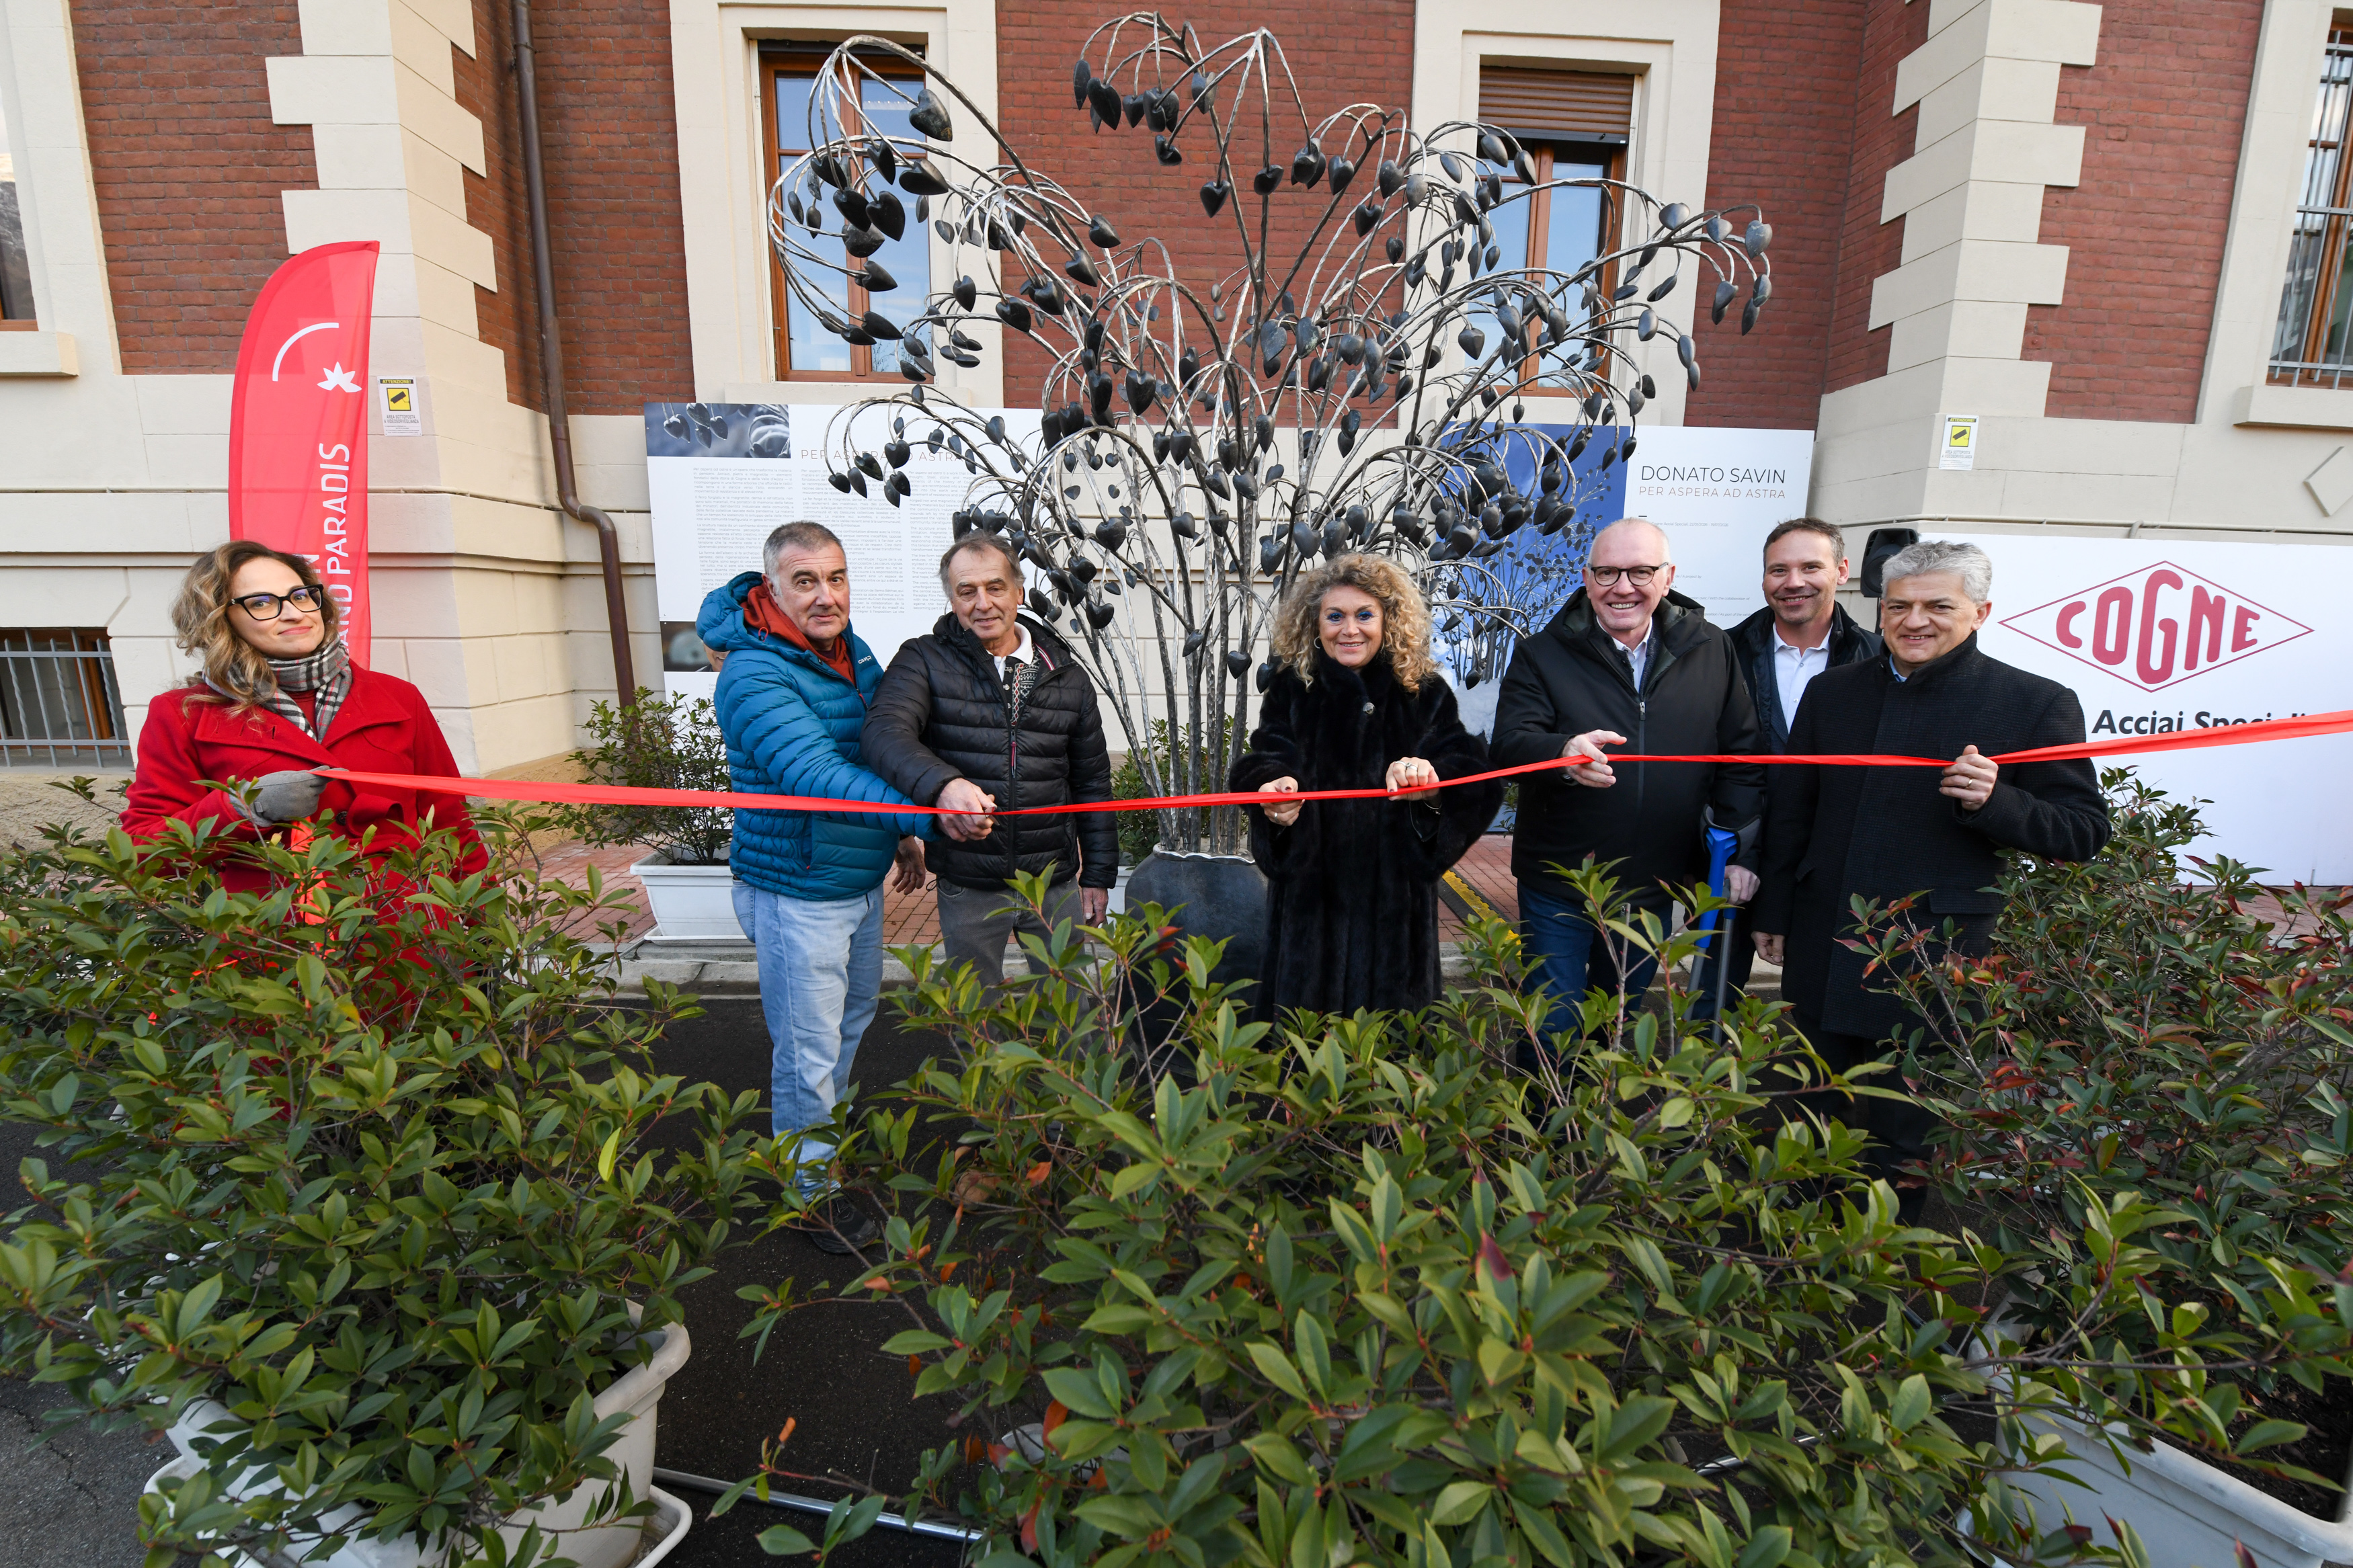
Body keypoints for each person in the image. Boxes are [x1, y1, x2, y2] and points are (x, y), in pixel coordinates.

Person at [1750, 539, 2111, 1219]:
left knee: (1905, 1133)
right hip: (1823, 937)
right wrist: (1773, 909)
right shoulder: (1833, 692)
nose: (1914, 621)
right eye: (1898, 607)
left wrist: (1996, 800)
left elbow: (2081, 831)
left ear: (1980, 612)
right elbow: (1792, 810)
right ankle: (1791, 1249)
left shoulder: (2034, 701)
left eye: (1937, 606)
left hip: (1935, 956)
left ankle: (1883, 1261)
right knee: (1804, 1111)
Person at [699, 521, 931, 1253]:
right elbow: (814, 774)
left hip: (855, 877)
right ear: (772, 588)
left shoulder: (848, 650)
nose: (826, 594)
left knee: (851, 1019)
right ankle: (810, 1192)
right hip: (797, 888)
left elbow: (872, 746)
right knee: (807, 1046)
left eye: (836, 576)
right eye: (805, 581)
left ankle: (822, 1138)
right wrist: (929, 810)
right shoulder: (752, 672)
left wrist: (900, 836)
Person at [1490, 518, 1765, 1028]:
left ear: (1668, 576)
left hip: (1654, 884)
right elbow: (1508, 746)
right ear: (1587, 578)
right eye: (1607, 572)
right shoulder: (1542, 653)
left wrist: (1737, 853)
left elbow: (1742, 757)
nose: (1623, 587)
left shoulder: (1711, 649)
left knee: (1618, 1025)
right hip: (1561, 881)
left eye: (1641, 572)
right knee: (1552, 1027)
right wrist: (1562, 753)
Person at [124, 540, 485, 892]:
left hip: (404, 919)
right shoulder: (183, 713)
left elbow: (452, 821)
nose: (294, 613)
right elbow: (142, 852)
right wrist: (245, 808)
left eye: (300, 596)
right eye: (261, 603)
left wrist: (477, 917)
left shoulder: (398, 696)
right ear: (220, 619)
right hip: (276, 924)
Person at [1229, 554, 1501, 1016]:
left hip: (1395, 919)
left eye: (1364, 615)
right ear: (1315, 623)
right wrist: (1273, 793)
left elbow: (1470, 771)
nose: (1349, 630)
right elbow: (1265, 756)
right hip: (1309, 915)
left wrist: (1433, 784)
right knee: (1303, 1045)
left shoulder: (1425, 692)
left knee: (1392, 1047)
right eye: (1335, 616)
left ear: (1388, 620)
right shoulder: (1292, 689)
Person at [864, 533, 1117, 983]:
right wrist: (943, 786)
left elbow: (1092, 782)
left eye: (995, 587)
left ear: (1018, 592)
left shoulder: (1066, 675)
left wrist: (1097, 874)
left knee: (1070, 1009)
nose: (982, 604)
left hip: (1053, 883)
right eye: (967, 591)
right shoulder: (923, 659)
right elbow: (885, 733)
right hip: (968, 882)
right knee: (973, 1008)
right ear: (952, 600)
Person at [1696, 518, 1884, 1012]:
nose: (1793, 582)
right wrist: (1732, 847)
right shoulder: (1719, 653)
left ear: (1841, 571)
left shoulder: (1878, 659)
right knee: (1709, 1003)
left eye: (1810, 567)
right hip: (1733, 852)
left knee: (1827, 1004)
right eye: (1778, 570)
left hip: (1826, 861)